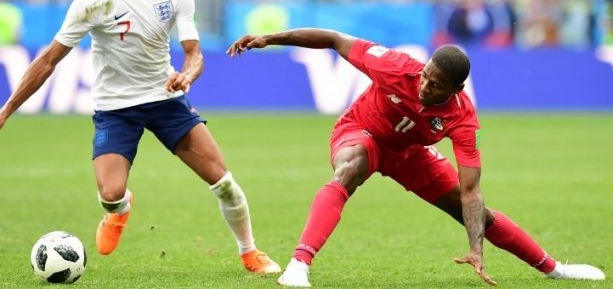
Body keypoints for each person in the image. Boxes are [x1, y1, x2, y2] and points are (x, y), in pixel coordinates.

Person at [0, 0, 280, 275]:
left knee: (224, 184)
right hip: (115, 108)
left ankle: (250, 252)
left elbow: (194, 54)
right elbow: (48, 60)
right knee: (111, 194)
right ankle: (120, 210)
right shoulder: (92, 1)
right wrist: (5, 111)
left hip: (165, 100)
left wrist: (187, 75)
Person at [226, 28, 606, 287]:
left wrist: (475, 247)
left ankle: (554, 268)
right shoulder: (393, 66)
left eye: (436, 85)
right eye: (425, 77)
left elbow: (472, 192)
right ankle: (298, 265)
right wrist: (269, 38)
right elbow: (334, 39)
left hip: (409, 154)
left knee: (477, 214)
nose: (424, 86)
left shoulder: (462, 117)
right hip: (362, 131)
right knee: (350, 168)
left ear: (456, 89)